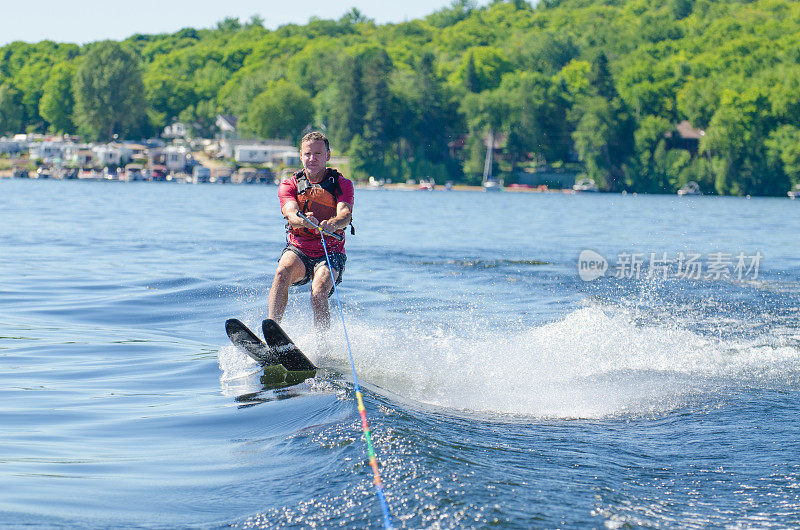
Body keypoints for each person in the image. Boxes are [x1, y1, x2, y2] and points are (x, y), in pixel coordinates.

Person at [268, 132, 354, 330]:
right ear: (301, 156)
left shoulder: (342, 184)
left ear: (328, 156)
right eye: (308, 154)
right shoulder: (289, 185)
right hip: (300, 249)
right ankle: (273, 331)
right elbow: (290, 213)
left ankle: (321, 345)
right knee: (281, 272)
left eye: (317, 153)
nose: (312, 159)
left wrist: (333, 223)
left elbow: (345, 215)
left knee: (318, 290)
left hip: (330, 252)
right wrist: (304, 221)